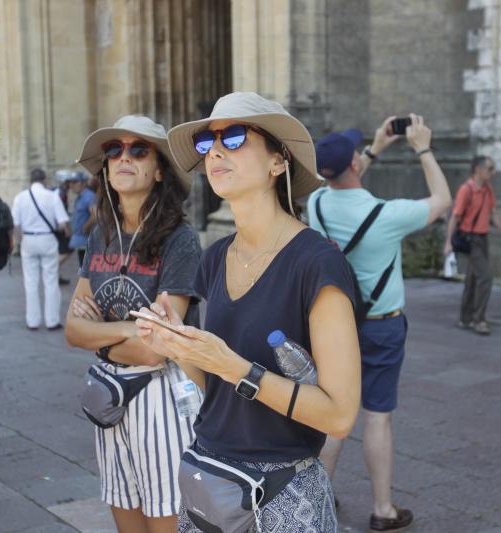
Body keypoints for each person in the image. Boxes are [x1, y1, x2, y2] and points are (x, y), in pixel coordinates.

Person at [137, 92, 361, 532]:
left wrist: (236, 368)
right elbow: (215, 382)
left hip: (282, 492)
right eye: (207, 143)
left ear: (279, 162)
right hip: (209, 478)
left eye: (235, 136)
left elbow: (339, 415)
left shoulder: (317, 264)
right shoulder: (215, 256)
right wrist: (180, 347)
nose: (216, 150)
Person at [308, 115, 452, 532]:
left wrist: (373, 148)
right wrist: (422, 147)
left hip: (336, 323)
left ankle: (318, 495)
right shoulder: (387, 215)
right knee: (377, 416)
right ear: (354, 164)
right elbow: (443, 199)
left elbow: (340, 181)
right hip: (381, 327)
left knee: (335, 414)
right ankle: (383, 509)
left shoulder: (316, 203)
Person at [66, 115, 202, 533]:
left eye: (138, 150)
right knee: (126, 517)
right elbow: (72, 328)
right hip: (109, 392)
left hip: (162, 395)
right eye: (114, 150)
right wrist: (130, 330)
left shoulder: (178, 238)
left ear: (159, 169)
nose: (123, 157)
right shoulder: (101, 235)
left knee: (166, 521)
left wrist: (101, 336)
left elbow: (158, 347)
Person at [443, 155, 501, 336]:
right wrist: (448, 242)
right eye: (490, 169)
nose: (493, 172)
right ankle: (478, 319)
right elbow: (455, 217)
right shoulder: (466, 190)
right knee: (486, 278)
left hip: (483, 239)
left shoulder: (488, 190)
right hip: (470, 239)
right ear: (478, 170)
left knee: (473, 279)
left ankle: (465, 318)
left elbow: (494, 213)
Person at [11, 168, 69, 331]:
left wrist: (18, 242)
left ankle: (32, 321)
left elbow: (16, 225)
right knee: (50, 280)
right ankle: (52, 321)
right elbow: (62, 223)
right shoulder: (52, 196)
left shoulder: (20, 198)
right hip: (47, 238)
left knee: (30, 281)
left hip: (28, 239)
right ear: (44, 180)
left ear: (31, 180)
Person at [66, 170, 96, 266]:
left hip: (86, 240)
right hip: (81, 240)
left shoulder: (88, 196)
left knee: (86, 270)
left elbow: (96, 215)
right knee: (82, 267)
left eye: (75, 182)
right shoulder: (80, 197)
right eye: (70, 182)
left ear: (83, 183)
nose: (72, 185)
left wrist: (86, 227)